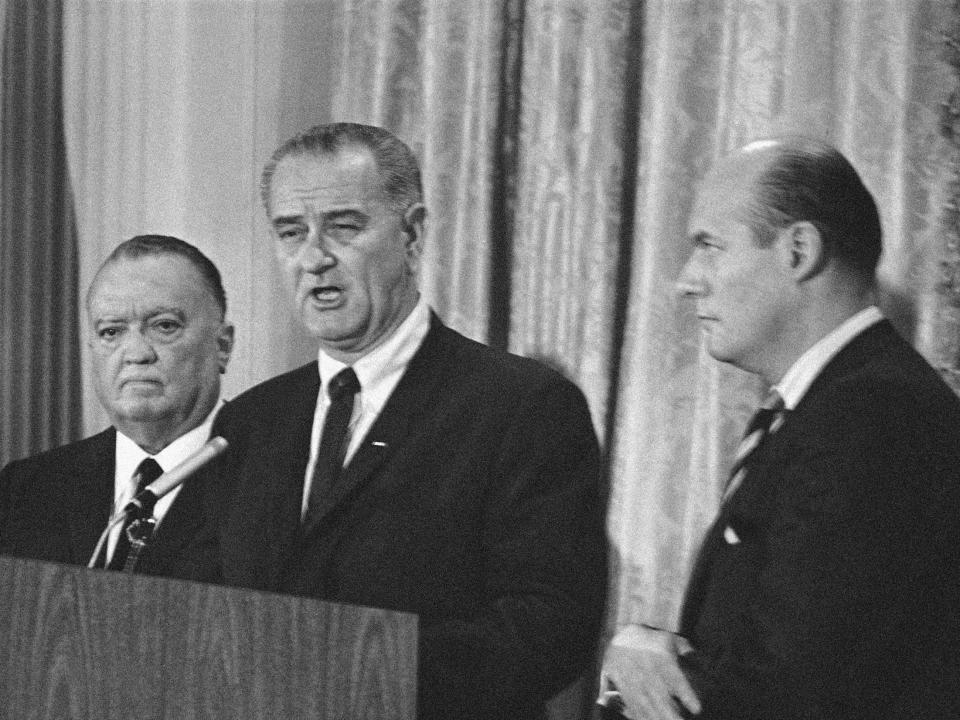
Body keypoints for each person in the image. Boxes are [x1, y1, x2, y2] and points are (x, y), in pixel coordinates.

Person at [201, 122, 608, 720]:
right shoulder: (251, 422)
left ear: (412, 234)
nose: (313, 258)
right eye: (292, 232)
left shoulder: (523, 405)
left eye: (344, 227)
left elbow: (550, 628)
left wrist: (355, 667)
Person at [600, 137, 960, 719]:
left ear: (798, 250)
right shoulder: (833, 407)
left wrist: (641, 659)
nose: (687, 281)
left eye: (710, 247)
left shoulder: (873, 418)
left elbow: (796, 694)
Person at [0, 235, 234, 578]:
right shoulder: (27, 489)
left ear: (223, 346)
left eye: (164, 326)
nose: (136, 354)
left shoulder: (273, 481)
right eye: (111, 331)